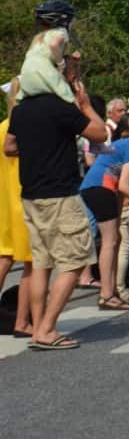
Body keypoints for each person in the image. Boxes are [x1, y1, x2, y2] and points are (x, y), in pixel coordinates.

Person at [5, 75, 107, 350]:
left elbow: (9, 147)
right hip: (60, 193)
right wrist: (84, 105)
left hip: (31, 195)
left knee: (41, 263)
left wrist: (35, 150)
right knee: (75, 261)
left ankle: (38, 326)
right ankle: (47, 329)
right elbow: (100, 133)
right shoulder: (61, 107)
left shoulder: (22, 109)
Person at [79, 110, 129, 310]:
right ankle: (106, 294)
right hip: (100, 188)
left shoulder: (125, 144)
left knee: (116, 240)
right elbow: (124, 185)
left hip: (97, 187)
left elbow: (122, 184)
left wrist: (124, 205)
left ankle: (112, 290)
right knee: (110, 241)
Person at [0, 78, 33, 337]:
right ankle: (24, 320)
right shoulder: (24, 127)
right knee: (32, 262)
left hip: (3, 199)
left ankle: (22, 319)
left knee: (4, 258)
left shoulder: (2, 127)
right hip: (23, 197)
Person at [17, 0, 78, 104]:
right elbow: (54, 44)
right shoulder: (61, 32)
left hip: (26, 76)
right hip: (43, 72)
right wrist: (61, 64)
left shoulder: (38, 37)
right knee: (71, 100)